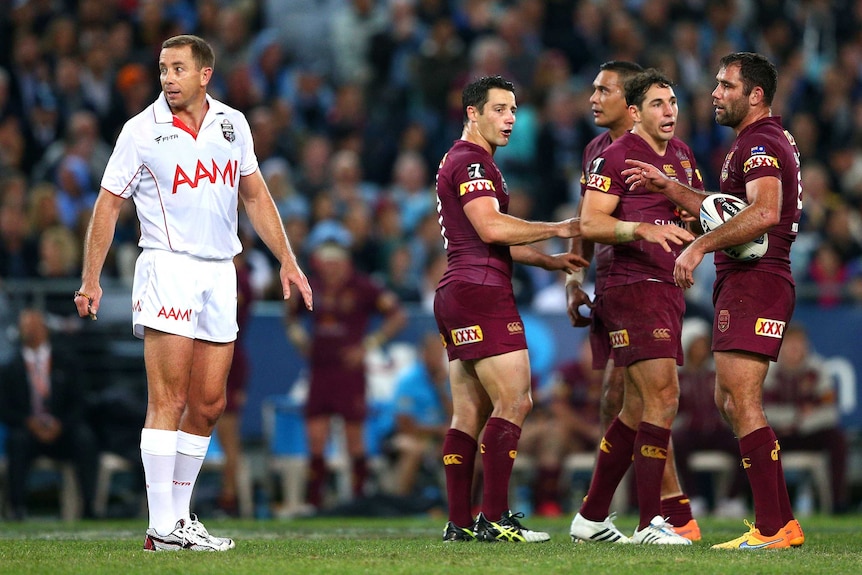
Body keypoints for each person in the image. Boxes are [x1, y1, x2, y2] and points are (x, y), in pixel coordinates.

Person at [73, 35, 313, 552]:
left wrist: (287, 260)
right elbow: (108, 204)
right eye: (162, 69)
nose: (167, 78)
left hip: (221, 271)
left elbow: (254, 194)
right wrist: (91, 276)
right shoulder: (140, 131)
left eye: (177, 69)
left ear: (205, 74)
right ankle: (161, 523)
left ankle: (177, 521)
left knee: (208, 404)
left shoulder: (233, 124)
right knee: (170, 398)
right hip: (169, 266)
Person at [624, 52, 805, 549]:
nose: (714, 94)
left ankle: (774, 528)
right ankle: (780, 522)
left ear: (755, 96)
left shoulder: (760, 143)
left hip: (758, 280)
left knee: (742, 401)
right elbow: (723, 208)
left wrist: (701, 245)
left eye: (726, 86)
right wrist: (671, 189)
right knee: (732, 400)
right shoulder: (754, 141)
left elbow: (764, 212)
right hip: (750, 279)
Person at [434, 75, 587, 543]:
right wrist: (560, 226)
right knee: (517, 400)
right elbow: (492, 229)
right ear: (472, 114)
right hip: (482, 293)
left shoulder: (460, 160)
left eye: (514, 110)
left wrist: (549, 260)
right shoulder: (473, 162)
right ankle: (495, 518)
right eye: (499, 109)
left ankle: (459, 522)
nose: (510, 119)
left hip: (457, 291)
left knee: (468, 412)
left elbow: (486, 239)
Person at [565, 60, 701, 540]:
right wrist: (640, 228)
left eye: (672, 102)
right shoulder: (614, 156)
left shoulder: (682, 154)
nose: (669, 111)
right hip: (631, 283)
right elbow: (589, 222)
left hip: (665, 285)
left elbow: (697, 210)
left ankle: (591, 516)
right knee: (663, 395)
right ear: (636, 112)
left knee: (632, 407)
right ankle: (652, 522)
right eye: (657, 104)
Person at [284, 240, 406, 510]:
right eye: (325, 264)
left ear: (346, 264)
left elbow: (397, 315)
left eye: (335, 264)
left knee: (354, 437)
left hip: (349, 371)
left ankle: (359, 497)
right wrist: (299, 339)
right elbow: (290, 314)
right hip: (320, 368)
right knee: (315, 436)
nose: (330, 270)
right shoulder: (312, 285)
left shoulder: (363, 287)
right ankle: (315, 499)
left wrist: (368, 346)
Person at [0, 308, 100, 521]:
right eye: (25, 327)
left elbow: (80, 402)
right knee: (16, 441)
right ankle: (17, 508)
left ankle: (89, 507)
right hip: (28, 431)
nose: (29, 331)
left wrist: (61, 424)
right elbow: (5, 407)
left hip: (62, 430)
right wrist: (29, 423)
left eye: (33, 326)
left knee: (85, 438)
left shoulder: (67, 361)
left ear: (45, 329)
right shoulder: (11, 367)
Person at [763, 323, 849, 514]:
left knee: (837, 438)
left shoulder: (817, 370)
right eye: (790, 344)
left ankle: (838, 502)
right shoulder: (771, 372)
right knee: (757, 440)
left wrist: (798, 423)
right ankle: (762, 503)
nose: (794, 349)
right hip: (780, 434)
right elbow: (764, 410)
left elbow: (829, 412)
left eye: (799, 344)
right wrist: (798, 414)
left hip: (808, 432)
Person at [519, 337, 602, 517]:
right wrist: (589, 431)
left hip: (604, 439)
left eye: (596, 351)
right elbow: (558, 407)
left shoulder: (614, 376)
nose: (591, 356)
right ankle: (547, 501)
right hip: (574, 438)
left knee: (554, 433)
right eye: (588, 350)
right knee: (555, 432)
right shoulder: (568, 374)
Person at [214, 247, 255, 517]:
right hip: (210, 354)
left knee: (228, 434)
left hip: (226, 355)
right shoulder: (234, 274)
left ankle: (230, 498)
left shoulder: (239, 277)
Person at [389, 332, 451, 498]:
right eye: (434, 353)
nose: (438, 358)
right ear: (423, 354)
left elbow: (455, 417)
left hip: (438, 438)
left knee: (466, 448)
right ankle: (400, 501)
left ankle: (458, 506)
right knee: (413, 449)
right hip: (409, 436)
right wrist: (438, 431)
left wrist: (441, 390)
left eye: (440, 354)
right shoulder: (408, 381)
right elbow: (404, 426)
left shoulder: (446, 381)